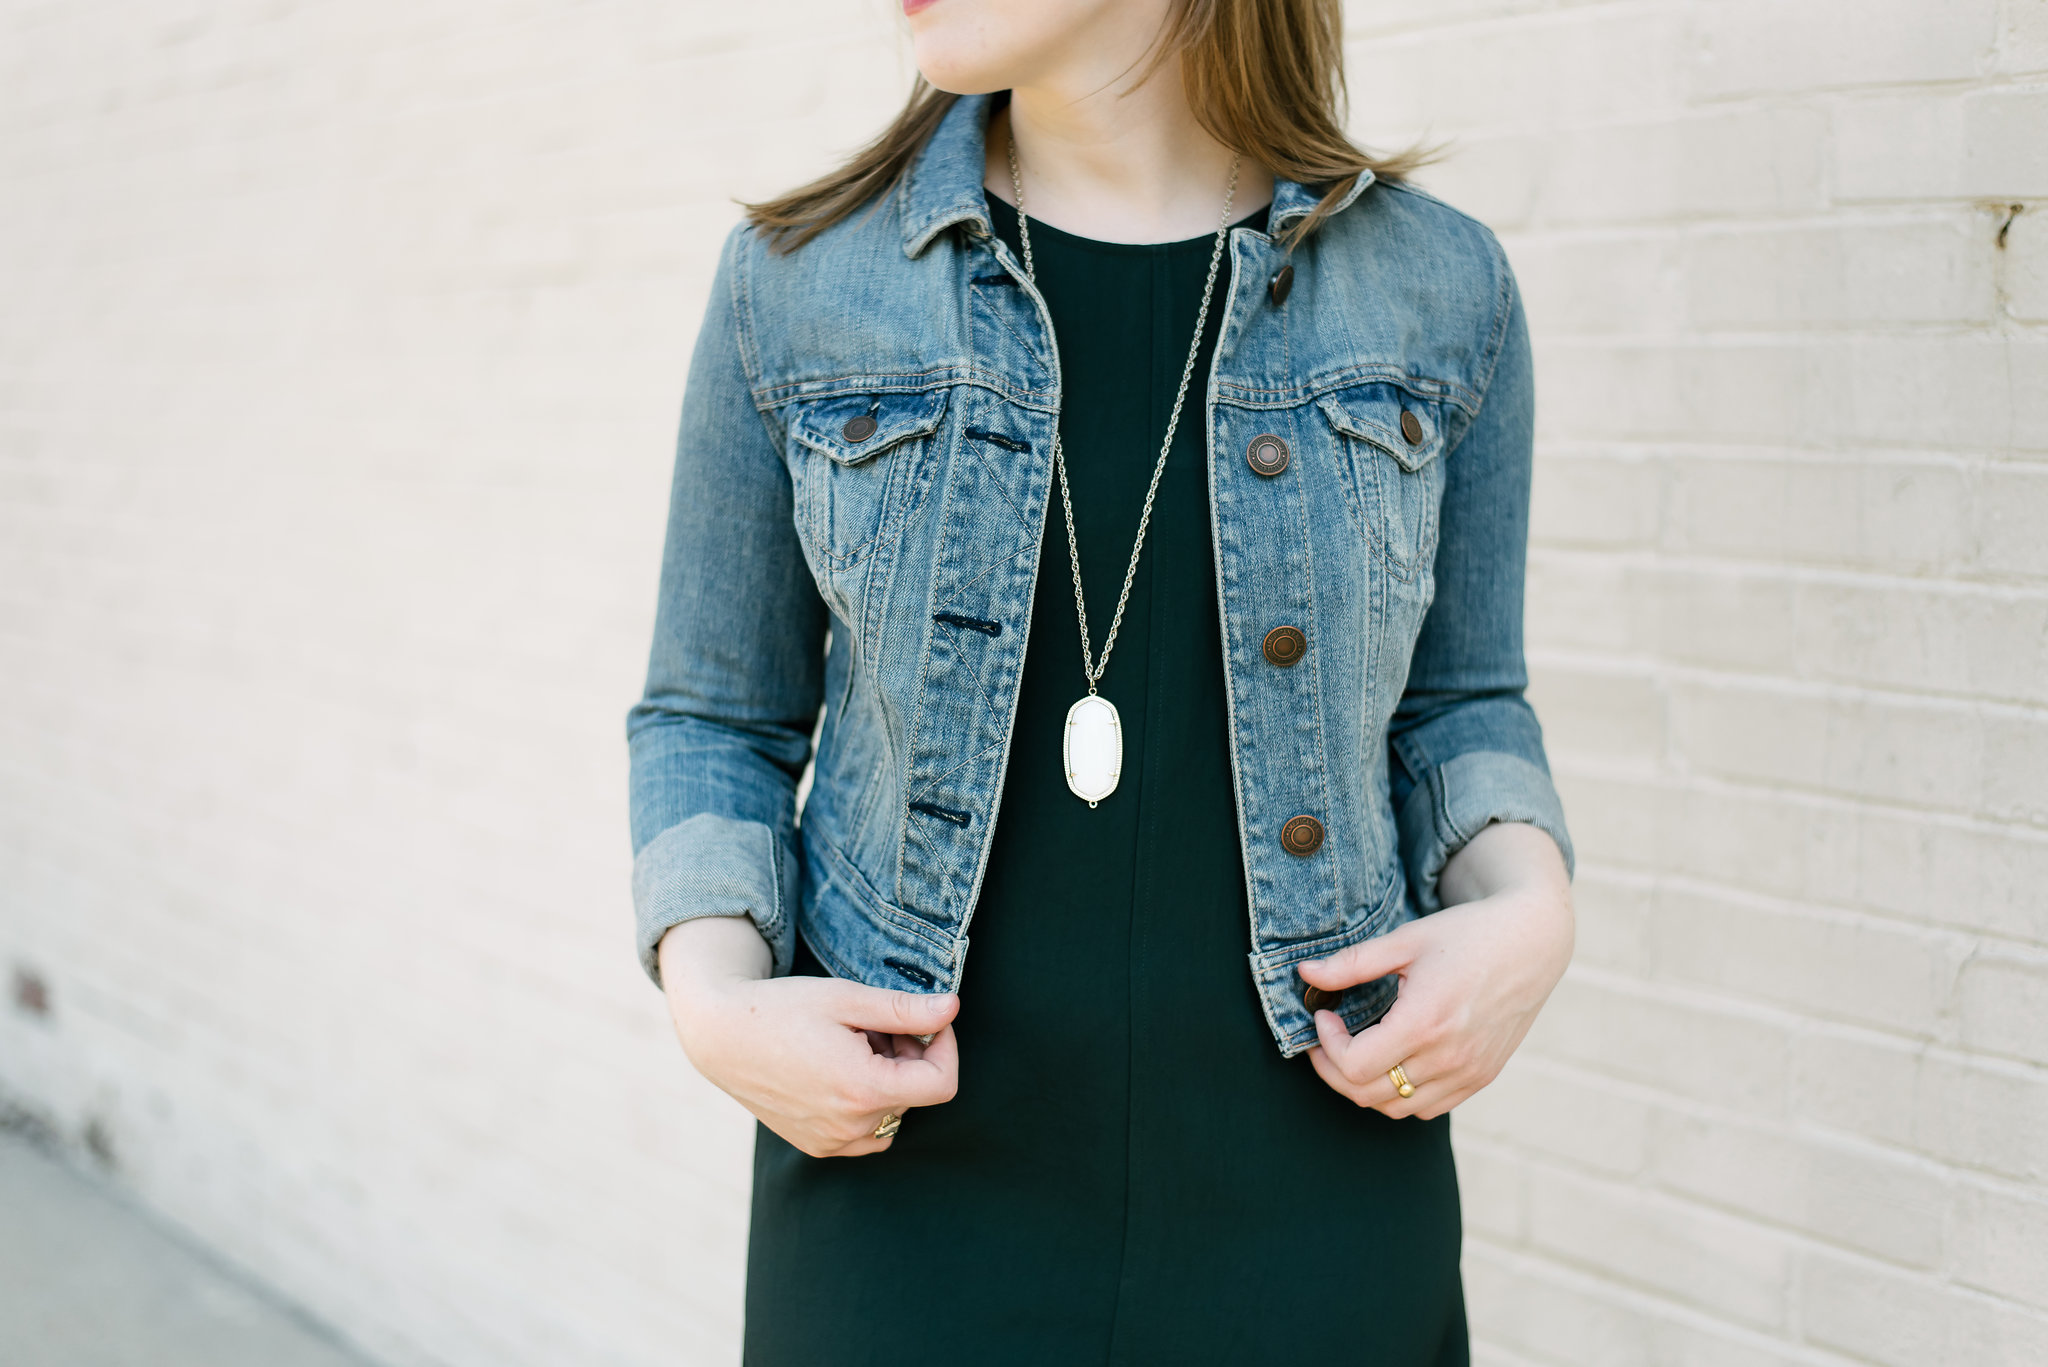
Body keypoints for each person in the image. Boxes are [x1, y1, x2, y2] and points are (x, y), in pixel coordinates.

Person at [626, 1, 1576, 1361]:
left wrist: (1533, 915)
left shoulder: (1437, 287)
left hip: (1318, 1185)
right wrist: (715, 1002)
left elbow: (1461, 703)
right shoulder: (797, 283)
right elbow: (714, 715)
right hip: (901, 1188)